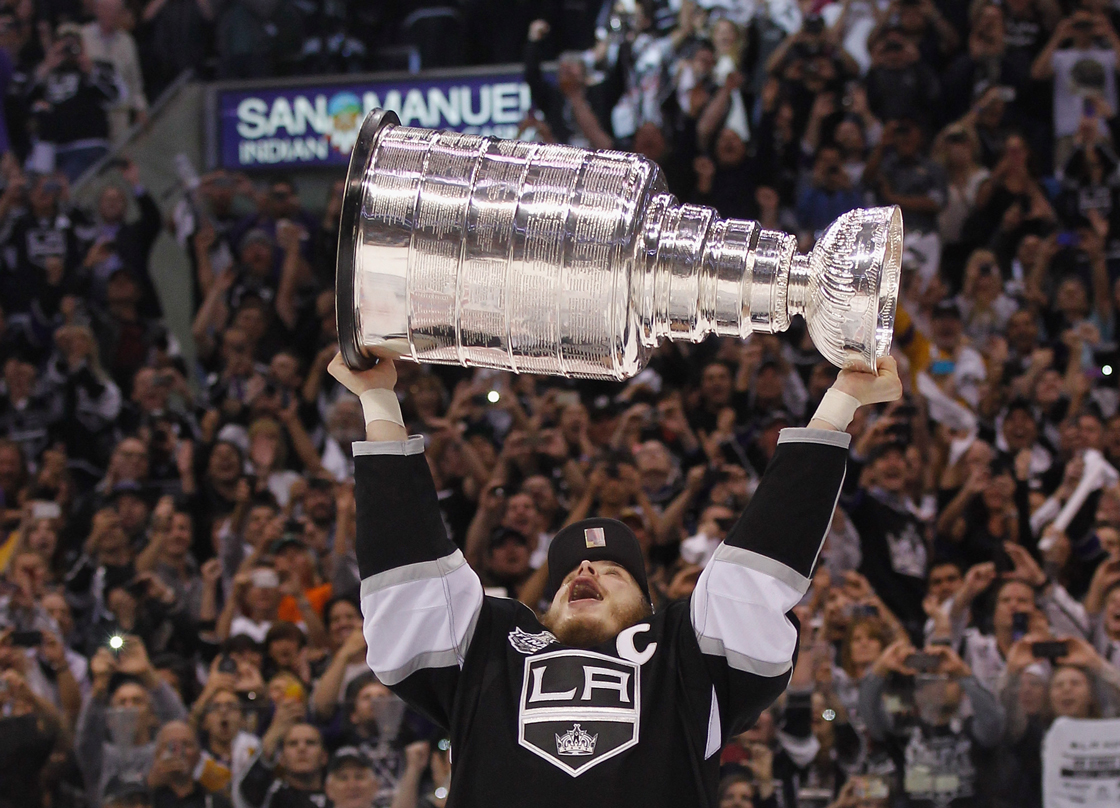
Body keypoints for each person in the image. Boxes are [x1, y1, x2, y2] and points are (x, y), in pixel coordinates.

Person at [326, 348, 902, 805]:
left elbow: (755, 570)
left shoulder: (683, 651)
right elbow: (408, 579)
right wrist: (377, 398)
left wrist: (842, 399)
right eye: (575, 570)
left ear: (649, 609)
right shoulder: (491, 646)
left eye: (612, 571)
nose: (586, 570)